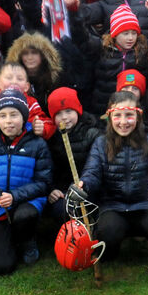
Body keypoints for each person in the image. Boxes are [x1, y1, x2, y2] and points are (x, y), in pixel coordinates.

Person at [76, 92, 148, 262]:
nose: (123, 122)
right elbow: (92, 173)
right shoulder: (101, 143)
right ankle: (111, 248)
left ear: (138, 116)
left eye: (129, 115)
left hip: (145, 206)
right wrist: (84, 186)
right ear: (109, 117)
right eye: (117, 116)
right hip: (113, 207)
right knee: (108, 234)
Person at [0, 90, 53, 275]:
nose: (8, 121)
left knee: (24, 216)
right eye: (3, 115)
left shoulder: (37, 144)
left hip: (26, 204)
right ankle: (8, 240)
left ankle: (27, 240)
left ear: (24, 117)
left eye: (14, 115)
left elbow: (44, 183)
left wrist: (15, 196)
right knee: (2, 267)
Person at [45, 88, 102, 226]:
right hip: (64, 190)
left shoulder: (92, 133)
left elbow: (98, 168)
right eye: (58, 113)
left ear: (78, 110)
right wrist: (51, 189)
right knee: (61, 209)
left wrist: (83, 186)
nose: (64, 117)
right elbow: (47, 168)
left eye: (68, 111)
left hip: (90, 188)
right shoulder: (52, 138)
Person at [0, 62, 56, 143]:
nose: (14, 82)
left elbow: (48, 123)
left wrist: (41, 128)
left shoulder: (30, 103)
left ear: (26, 86)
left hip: (24, 151)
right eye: (9, 78)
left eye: (20, 79)